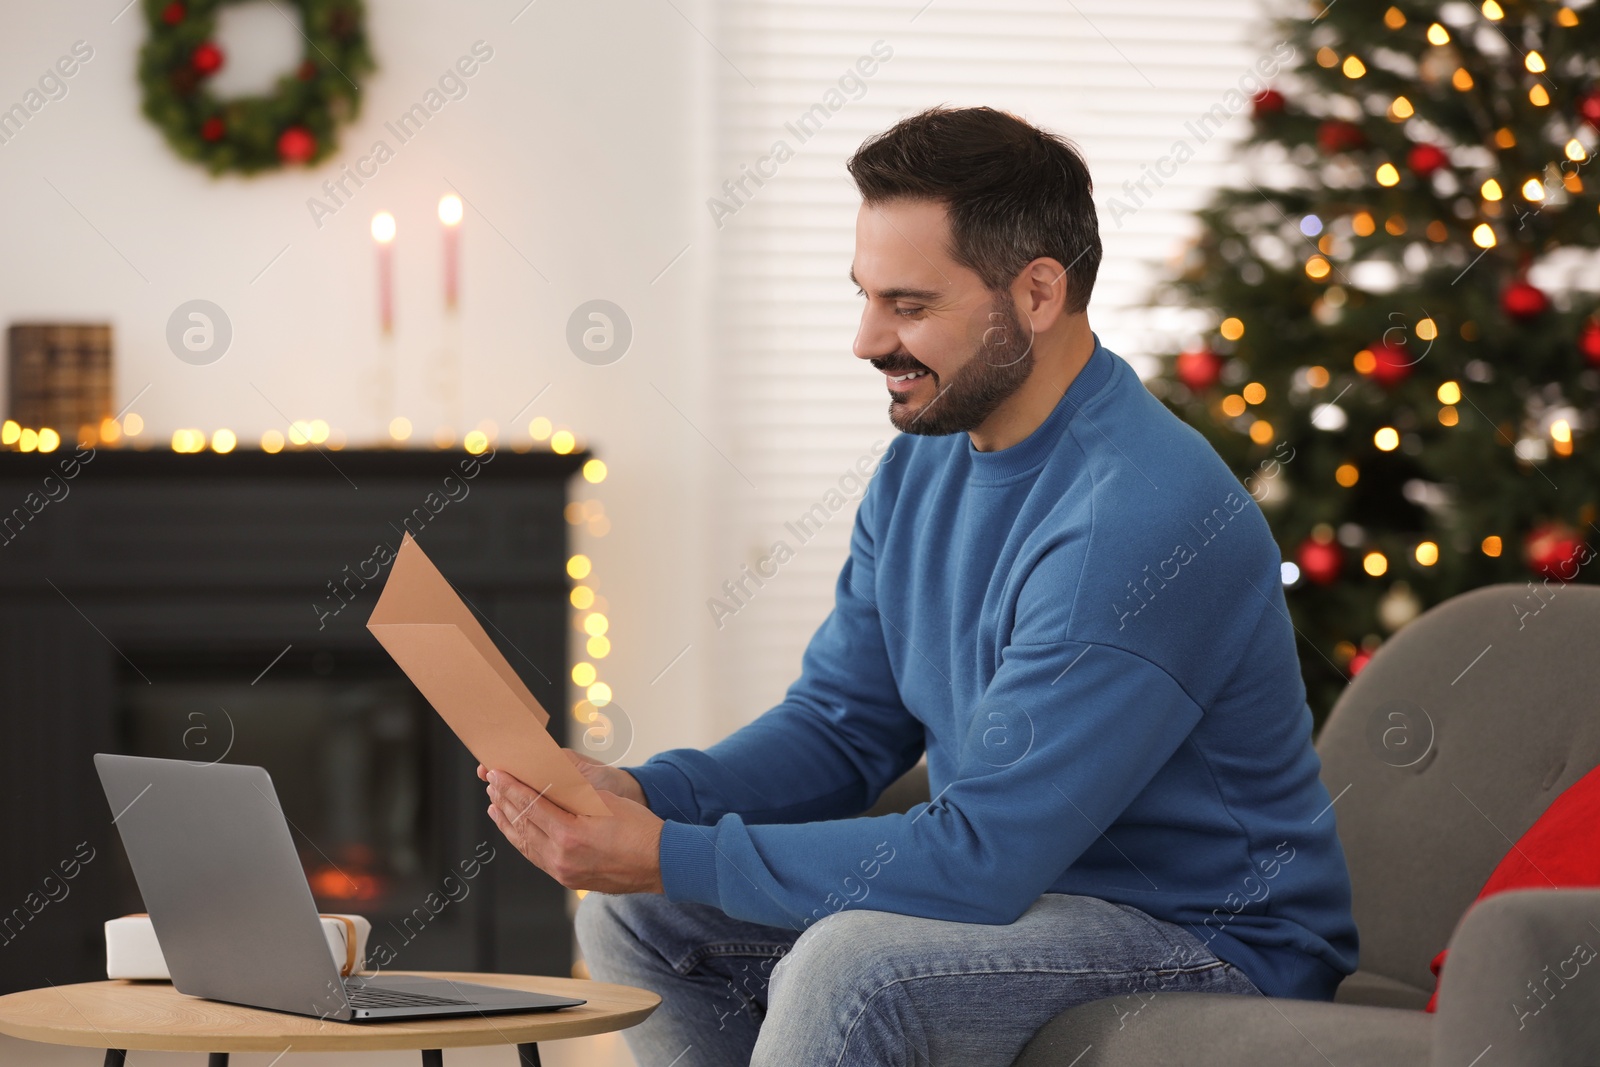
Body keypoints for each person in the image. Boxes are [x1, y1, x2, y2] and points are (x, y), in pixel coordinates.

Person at [479, 105, 1358, 1067]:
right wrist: (648, 796)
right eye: (864, 297)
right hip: (1037, 897)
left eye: (908, 305)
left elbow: (983, 856)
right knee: (642, 914)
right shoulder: (925, 462)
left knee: (855, 964)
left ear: (1036, 294)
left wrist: (664, 845)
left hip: (1206, 940)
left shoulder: (1137, 517)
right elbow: (841, 727)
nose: (865, 340)